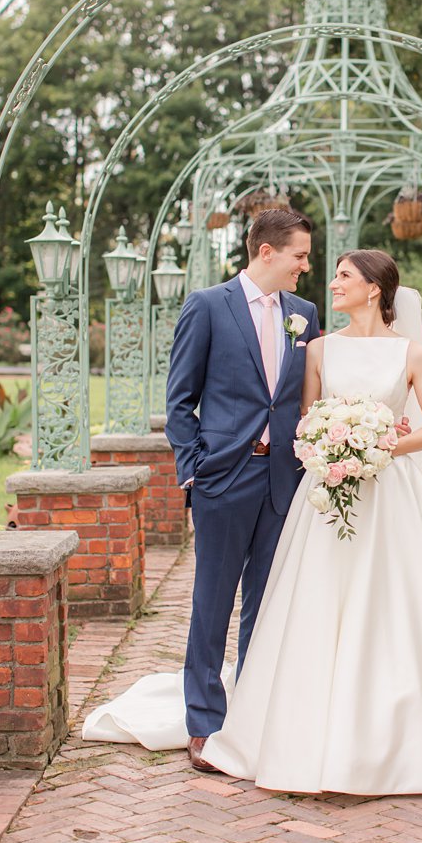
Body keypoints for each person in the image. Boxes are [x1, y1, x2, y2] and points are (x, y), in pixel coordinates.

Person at [86, 249, 422, 797]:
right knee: (310, 601)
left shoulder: (411, 353)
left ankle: (398, 722)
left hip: (391, 495)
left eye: (343, 276)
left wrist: (382, 446)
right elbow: (304, 420)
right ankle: (289, 716)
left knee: (397, 602)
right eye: (327, 271)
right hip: (323, 492)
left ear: (375, 290)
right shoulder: (317, 347)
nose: (330, 282)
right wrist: (329, 446)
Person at [161, 208, 321, 773]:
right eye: (300, 254)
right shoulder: (208, 306)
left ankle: (253, 714)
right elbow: (179, 401)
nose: (306, 265)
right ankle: (204, 722)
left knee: (267, 601)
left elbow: (308, 397)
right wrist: (194, 466)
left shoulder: (304, 314)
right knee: (212, 602)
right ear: (266, 252)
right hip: (224, 476)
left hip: (285, 477)